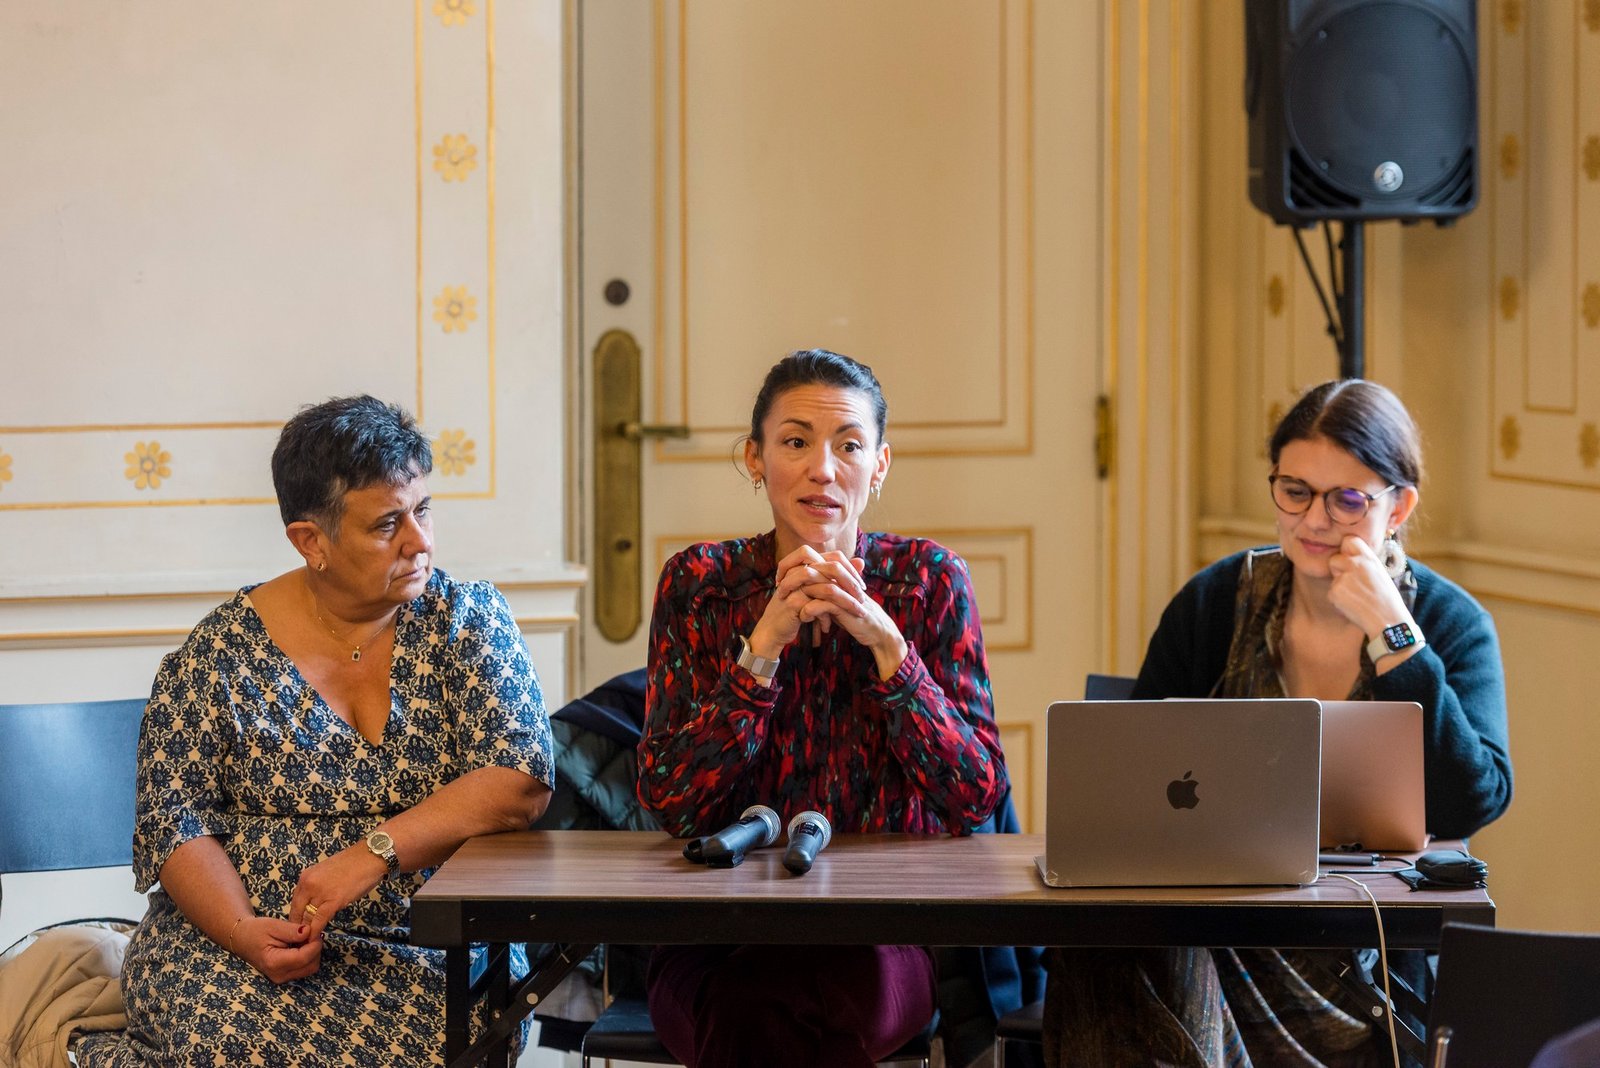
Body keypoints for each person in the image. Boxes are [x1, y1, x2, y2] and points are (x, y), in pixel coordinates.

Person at [1044, 379, 1513, 1067]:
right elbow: (1129, 774)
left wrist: (1396, 638)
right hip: (1214, 922)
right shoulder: (1214, 603)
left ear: (1398, 506)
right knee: (1114, 947)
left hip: (1362, 953)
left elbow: (1474, 799)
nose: (1314, 520)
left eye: (1346, 500)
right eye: (1295, 491)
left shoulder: (1449, 623)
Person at [78, 395, 555, 1068]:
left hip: (432, 948)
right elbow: (175, 821)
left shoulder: (468, 622)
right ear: (311, 541)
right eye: (387, 524)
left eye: (422, 511)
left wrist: (370, 854)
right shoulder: (220, 652)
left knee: (446, 1040)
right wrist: (243, 931)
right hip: (235, 952)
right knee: (230, 1045)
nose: (420, 541)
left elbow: (519, 781)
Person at [636, 349, 1011, 1068]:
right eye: (795, 442)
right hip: (716, 932)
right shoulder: (700, 584)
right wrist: (761, 651)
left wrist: (890, 649)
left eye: (849, 446)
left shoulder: (929, 581)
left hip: (882, 934)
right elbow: (671, 802)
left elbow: (976, 795)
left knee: (765, 1012)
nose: (823, 470)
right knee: (757, 1004)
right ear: (755, 457)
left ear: (880, 464)